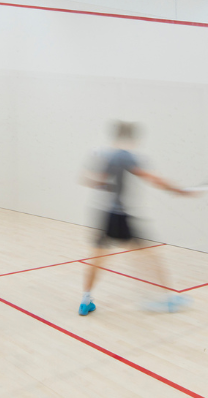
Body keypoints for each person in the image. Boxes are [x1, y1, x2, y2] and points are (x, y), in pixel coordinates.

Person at [79, 121, 192, 316]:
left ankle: (85, 300)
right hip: (120, 216)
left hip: (104, 214)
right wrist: (178, 190)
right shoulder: (124, 155)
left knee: (98, 257)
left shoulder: (106, 155)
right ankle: (168, 299)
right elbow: (150, 177)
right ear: (130, 137)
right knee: (149, 255)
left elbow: (93, 180)